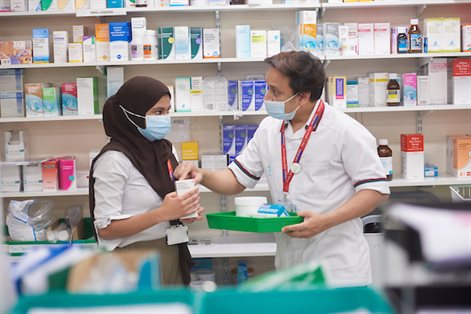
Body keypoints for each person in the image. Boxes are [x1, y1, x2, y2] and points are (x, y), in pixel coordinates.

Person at [175, 51, 390, 286]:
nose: (267, 96)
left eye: (275, 91)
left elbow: (375, 191)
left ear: (303, 96)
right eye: (268, 88)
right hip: (289, 262)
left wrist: (325, 221)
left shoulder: (346, 131)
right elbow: (236, 179)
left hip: (337, 265)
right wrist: (203, 175)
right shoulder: (269, 128)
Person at [89, 76, 203, 286]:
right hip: (132, 259)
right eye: (158, 112)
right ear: (132, 114)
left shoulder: (164, 149)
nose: (165, 118)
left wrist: (184, 212)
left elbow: (166, 202)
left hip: (171, 250)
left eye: (168, 111)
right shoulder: (114, 159)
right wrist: (163, 214)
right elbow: (105, 228)